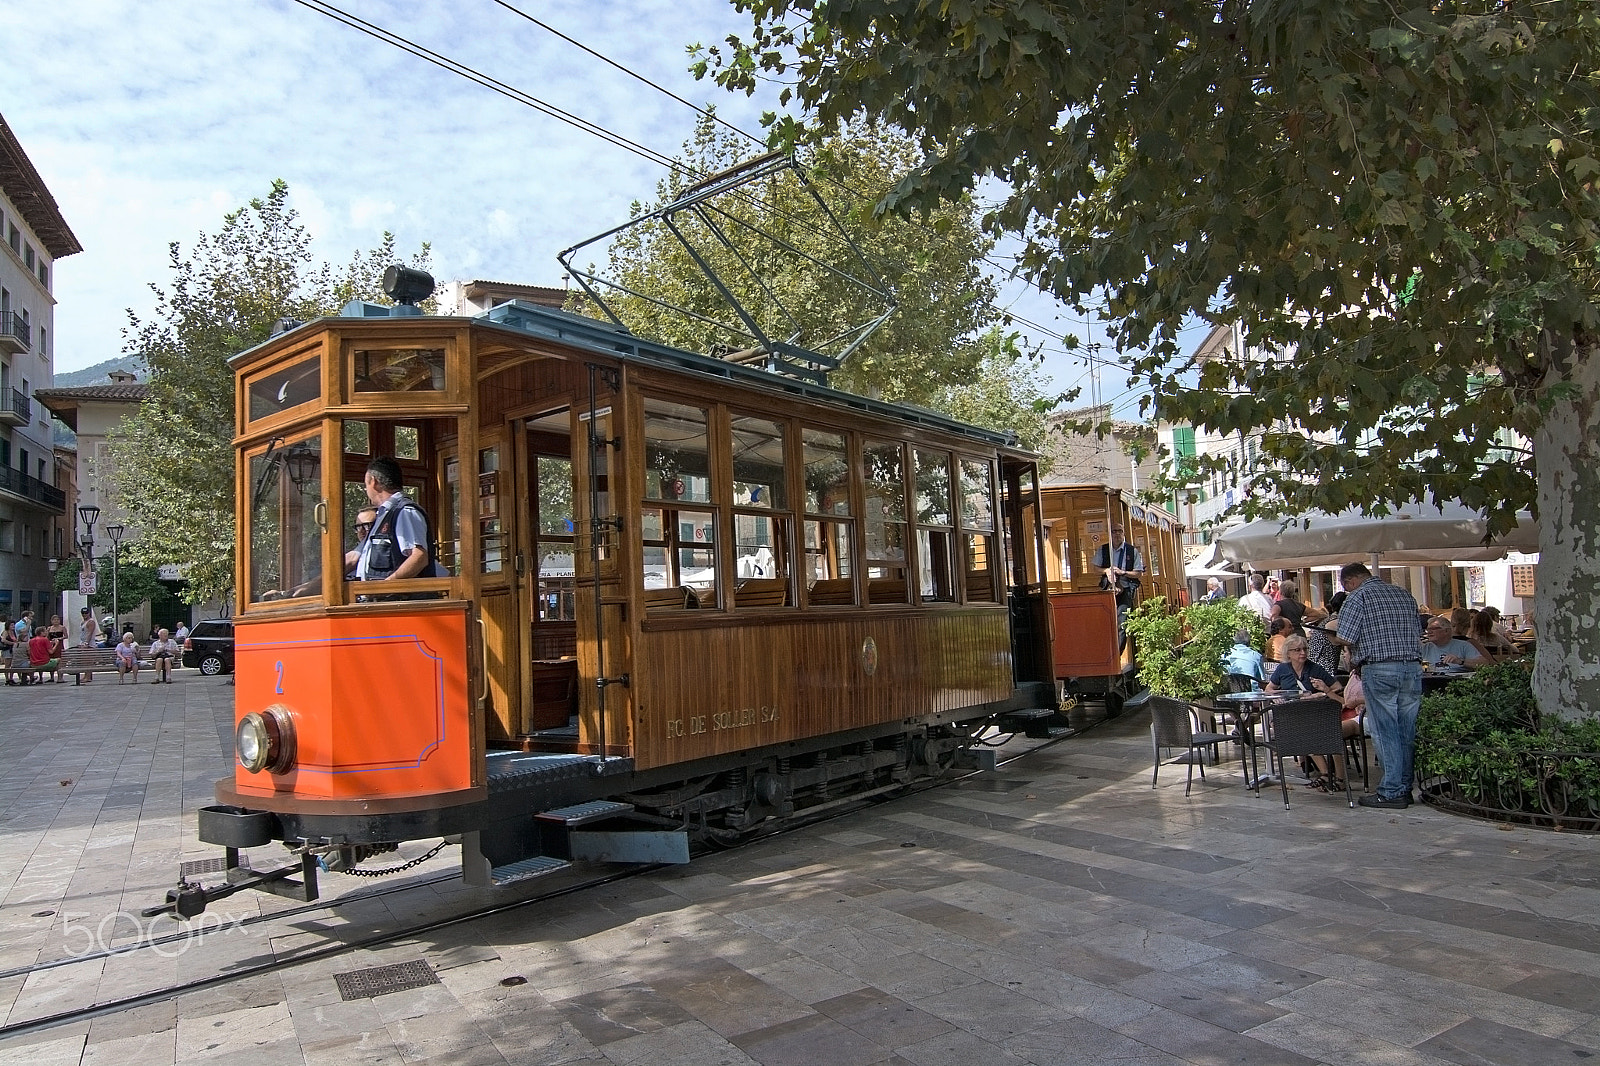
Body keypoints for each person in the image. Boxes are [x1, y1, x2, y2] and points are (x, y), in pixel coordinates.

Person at [1331, 562, 1423, 810]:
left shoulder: (1358, 597)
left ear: (1349, 582)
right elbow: (1417, 631)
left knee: (1385, 730)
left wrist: (1332, 636)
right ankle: (1404, 787)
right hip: (1412, 667)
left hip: (1379, 668)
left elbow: (1347, 637)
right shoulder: (1403, 594)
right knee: (1406, 729)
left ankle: (1391, 791)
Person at [355, 458, 444, 593]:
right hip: (381, 603)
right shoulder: (383, 515)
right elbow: (354, 556)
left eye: (365, 485)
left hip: (399, 603)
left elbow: (419, 557)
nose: (366, 490)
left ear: (374, 482)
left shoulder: (404, 511)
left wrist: (384, 588)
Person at [1092, 522, 1144, 624]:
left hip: (1126, 588)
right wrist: (1106, 570)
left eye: (1120, 531)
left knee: (1122, 621)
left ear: (1124, 533)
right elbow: (1095, 569)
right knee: (1107, 620)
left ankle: (1120, 640)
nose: (1117, 534)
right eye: (1114, 531)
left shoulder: (1132, 551)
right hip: (1108, 587)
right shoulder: (1103, 549)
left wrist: (1123, 572)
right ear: (1110, 534)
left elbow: (1138, 573)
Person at [1266, 635, 1341, 697]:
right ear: (1288, 653)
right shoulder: (1282, 668)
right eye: (1297, 650)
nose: (1303, 653)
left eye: (1305, 649)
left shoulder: (1315, 669)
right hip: (1288, 709)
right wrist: (1276, 697)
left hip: (1311, 710)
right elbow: (1269, 688)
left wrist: (1321, 694)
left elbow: (1338, 688)